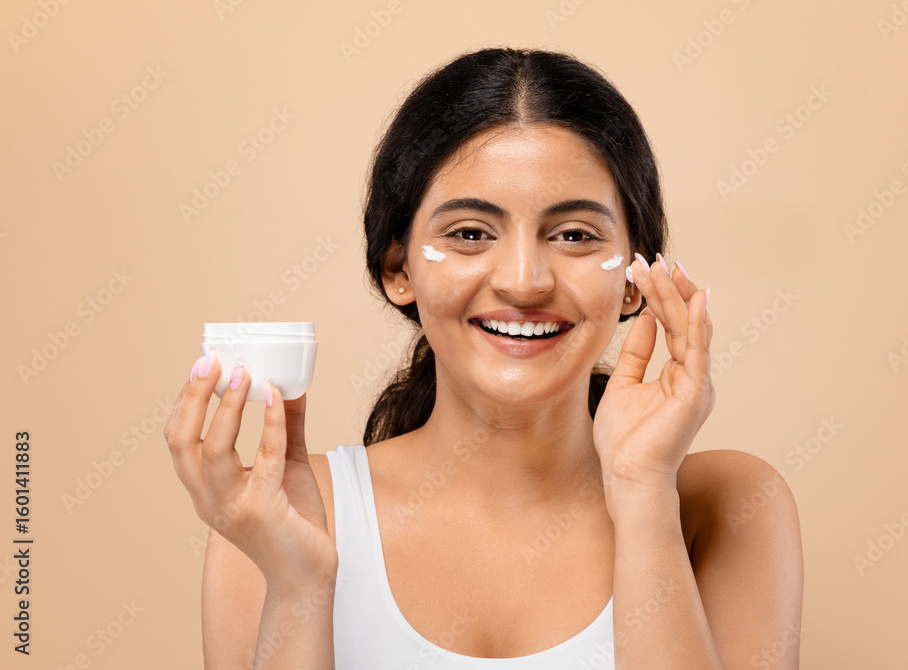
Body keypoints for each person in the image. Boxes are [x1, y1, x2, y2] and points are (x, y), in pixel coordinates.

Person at [164, 47, 804, 669]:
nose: (524, 282)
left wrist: (643, 496)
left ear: (634, 278)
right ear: (398, 268)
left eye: (574, 235)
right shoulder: (273, 511)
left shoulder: (730, 505)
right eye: (470, 233)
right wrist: (297, 587)